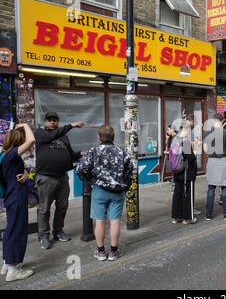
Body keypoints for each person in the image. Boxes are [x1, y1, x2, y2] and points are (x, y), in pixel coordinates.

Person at [77, 125, 133, 261]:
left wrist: (91, 180)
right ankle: (114, 252)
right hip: (117, 191)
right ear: (113, 137)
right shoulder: (122, 151)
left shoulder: (93, 151)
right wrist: (125, 185)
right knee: (115, 221)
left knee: (100, 221)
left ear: (99, 137)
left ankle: (101, 252)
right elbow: (130, 170)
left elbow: (82, 170)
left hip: (99, 190)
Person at [34, 112, 84, 250]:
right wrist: (71, 125)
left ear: (58, 122)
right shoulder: (40, 133)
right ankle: (44, 236)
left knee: (62, 206)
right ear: (45, 122)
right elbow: (51, 135)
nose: (52, 122)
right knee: (44, 209)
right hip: (46, 177)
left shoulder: (63, 136)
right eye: (49, 120)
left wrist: (81, 153)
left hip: (62, 177)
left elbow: (71, 155)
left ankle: (58, 232)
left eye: (54, 120)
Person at [0, 123, 35, 282]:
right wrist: (26, 126)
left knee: (10, 229)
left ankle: (7, 263)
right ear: (17, 141)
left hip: (10, 196)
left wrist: (27, 175)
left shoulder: (3, 154)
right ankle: (13, 271)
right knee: (17, 231)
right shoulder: (12, 154)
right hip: (16, 196)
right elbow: (31, 140)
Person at [204, 114, 226, 220]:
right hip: (223, 161)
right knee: (225, 187)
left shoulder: (207, 133)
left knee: (211, 188)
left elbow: (206, 150)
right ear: (222, 121)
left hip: (211, 161)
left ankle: (208, 214)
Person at [170, 121, 198, 224]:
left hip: (176, 171)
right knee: (187, 194)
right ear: (186, 130)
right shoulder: (185, 141)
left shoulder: (175, 139)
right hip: (186, 172)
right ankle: (188, 218)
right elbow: (190, 158)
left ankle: (176, 217)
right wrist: (195, 152)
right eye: (189, 131)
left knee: (177, 193)